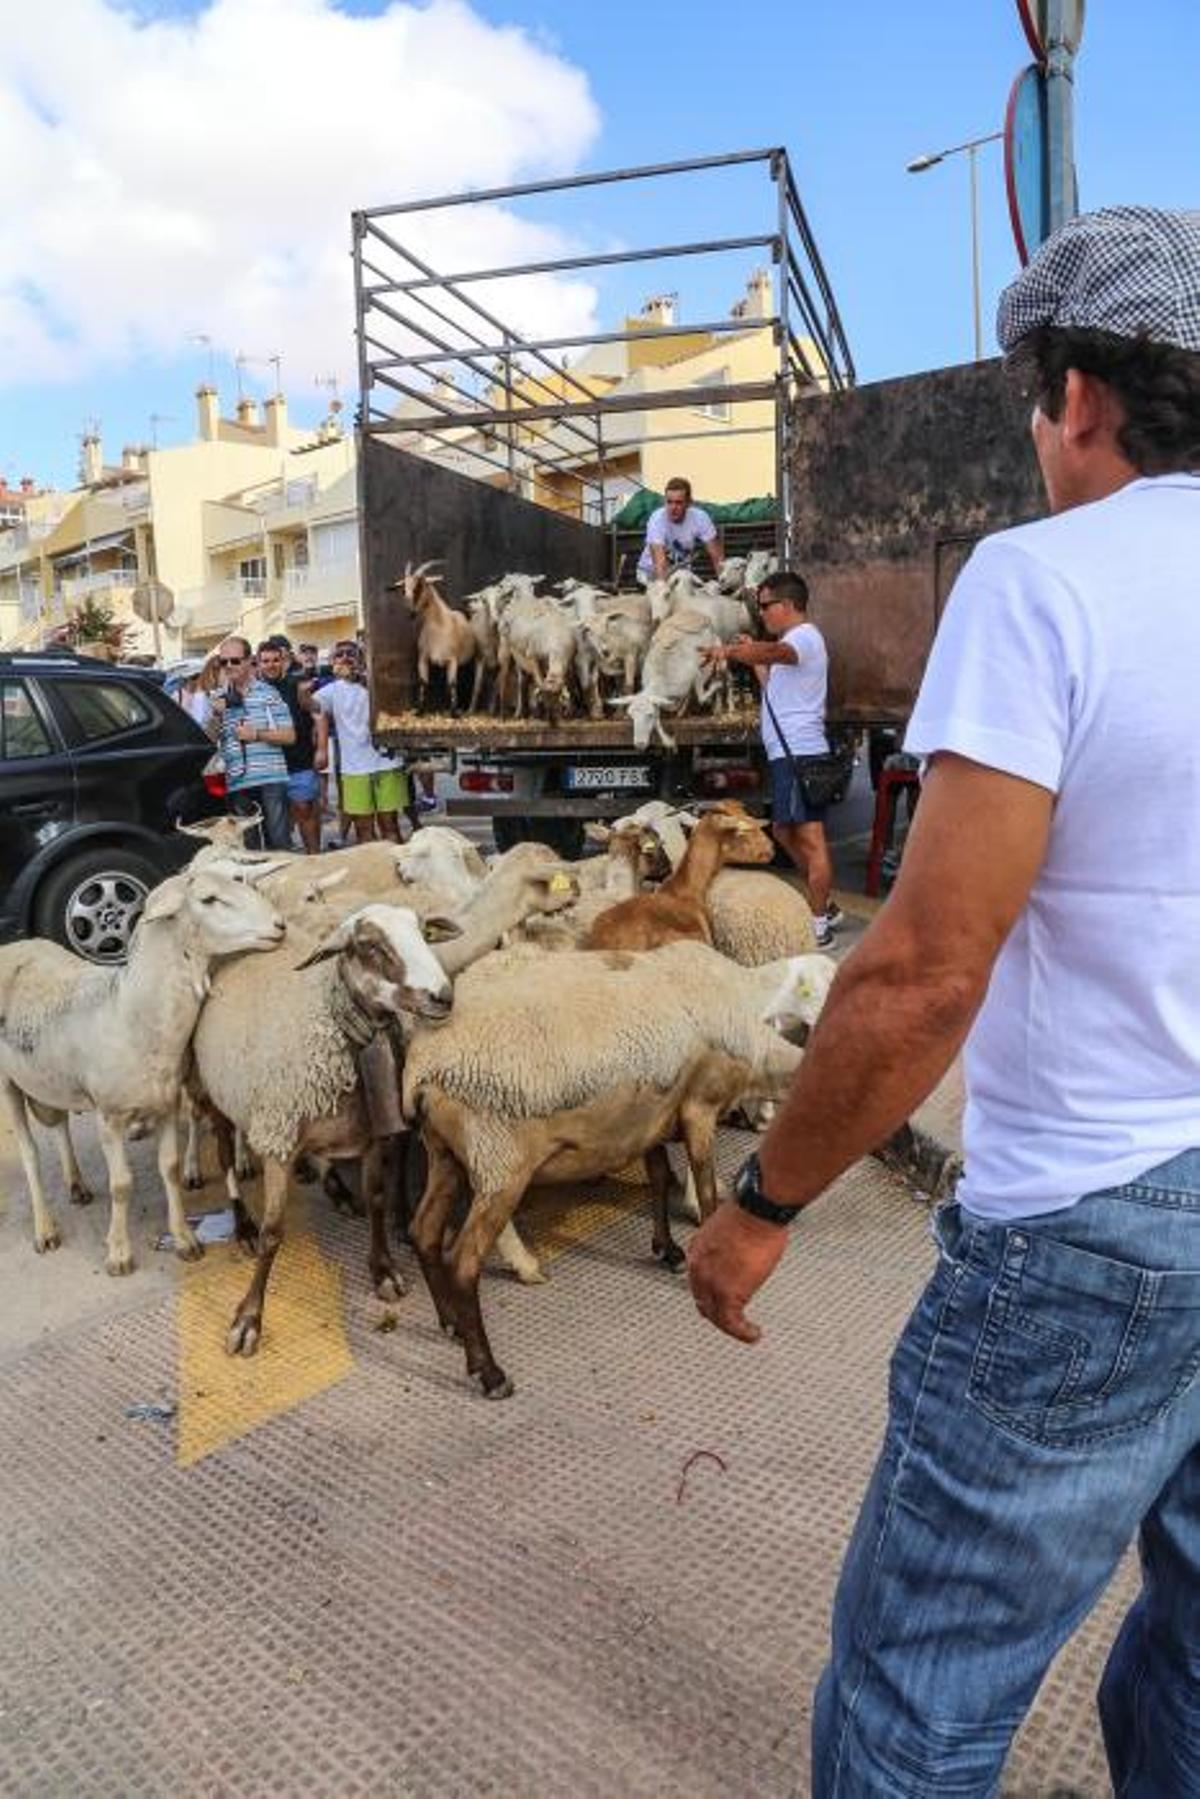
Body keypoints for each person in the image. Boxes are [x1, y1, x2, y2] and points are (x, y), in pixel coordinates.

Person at [687, 205, 1200, 1796]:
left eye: (1035, 399)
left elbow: (920, 969)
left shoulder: (1045, 583)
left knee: (922, 1696)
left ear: (1079, 398)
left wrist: (766, 1197)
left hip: (1092, 1223)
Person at [702, 569, 839, 946]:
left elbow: (776, 652)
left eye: (765, 606)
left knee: (811, 838)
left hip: (801, 753)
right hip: (787, 753)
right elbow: (773, 683)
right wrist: (753, 657)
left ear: (788, 604)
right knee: (782, 831)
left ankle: (818, 927)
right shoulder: (789, 646)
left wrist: (732, 651)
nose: (761, 613)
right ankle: (824, 901)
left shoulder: (804, 638)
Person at [312, 641, 409, 843]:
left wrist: (364, 679)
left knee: (390, 826)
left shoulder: (377, 681)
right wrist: (305, 684)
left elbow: (398, 700)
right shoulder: (331, 690)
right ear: (332, 663)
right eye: (340, 655)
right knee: (364, 831)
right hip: (354, 768)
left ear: (361, 658)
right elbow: (311, 706)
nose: (346, 657)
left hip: (386, 763)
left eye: (351, 653)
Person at [209, 634, 295, 849]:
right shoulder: (218, 698)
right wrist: (216, 716)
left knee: (280, 846)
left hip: (270, 780)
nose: (229, 666)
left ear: (249, 661)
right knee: (249, 851)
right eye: (224, 661)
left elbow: (289, 736)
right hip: (237, 783)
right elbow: (210, 741)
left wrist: (256, 734)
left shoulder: (268, 693)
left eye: (235, 660)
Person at [256, 636, 321, 854]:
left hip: (300, 761)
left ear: (283, 660)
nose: (271, 665)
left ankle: (314, 857)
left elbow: (319, 713)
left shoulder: (296, 685)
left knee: (305, 810)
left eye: (275, 660)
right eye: (265, 661)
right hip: (270, 767)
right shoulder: (254, 692)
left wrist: (322, 749)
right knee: (278, 822)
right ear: (258, 663)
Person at [636, 476, 723, 585]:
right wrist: (665, 593)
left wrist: (725, 586)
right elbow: (660, 563)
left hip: (680, 575)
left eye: (678, 503)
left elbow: (717, 556)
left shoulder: (700, 517)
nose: (673, 507)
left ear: (688, 503)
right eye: (669, 502)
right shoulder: (657, 519)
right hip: (650, 574)